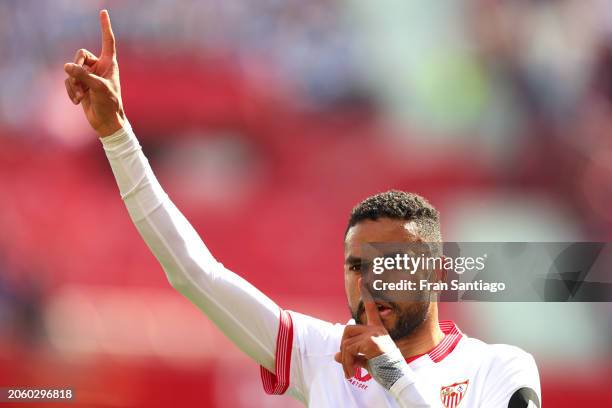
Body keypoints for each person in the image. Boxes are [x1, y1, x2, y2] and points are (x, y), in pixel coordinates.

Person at [63, 10, 541, 408]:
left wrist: (393, 375)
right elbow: (194, 272)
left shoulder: (498, 368)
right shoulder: (321, 354)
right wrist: (117, 135)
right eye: (357, 265)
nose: (372, 281)